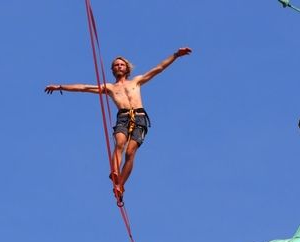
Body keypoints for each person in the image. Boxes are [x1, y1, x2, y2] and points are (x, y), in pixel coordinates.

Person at [45, 47, 192, 203]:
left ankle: (121, 185)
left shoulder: (136, 81)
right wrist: (60, 87)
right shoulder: (110, 87)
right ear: (112, 70)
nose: (119, 67)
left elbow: (159, 68)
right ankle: (114, 172)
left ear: (127, 68)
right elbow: (84, 87)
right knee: (120, 143)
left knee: (130, 152)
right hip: (123, 117)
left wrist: (176, 55)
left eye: (121, 64)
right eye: (116, 65)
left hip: (139, 117)